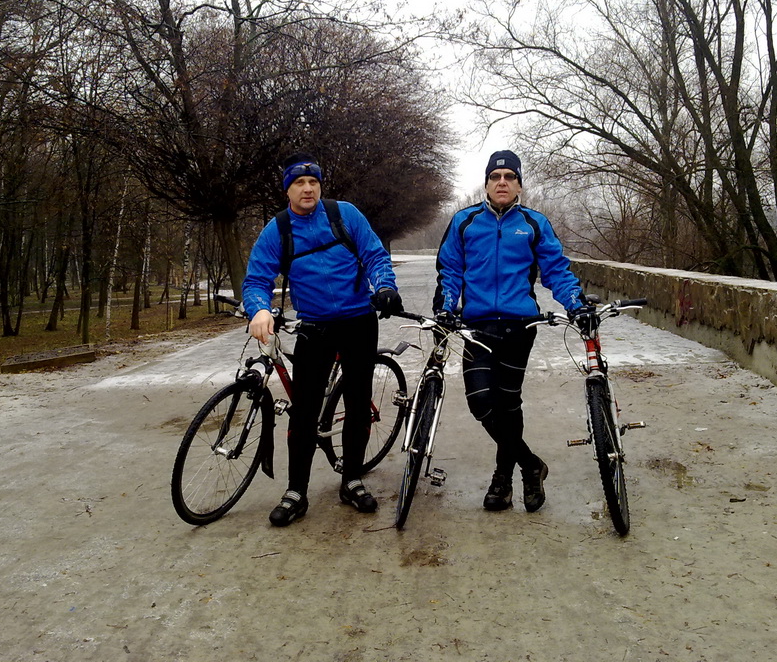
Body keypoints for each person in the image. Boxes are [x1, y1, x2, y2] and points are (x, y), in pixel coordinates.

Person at [242, 153, 403, 527]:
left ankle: (352, 480)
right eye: (299, 183)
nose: (307, 188)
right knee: (304, 411)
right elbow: (256, 280)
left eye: (313, 181)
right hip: (315, 327)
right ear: (287, 190)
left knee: (358, 404)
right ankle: (296, 491)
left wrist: (384, 286)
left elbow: (375, 255)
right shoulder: (278, 230)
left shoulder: (344, 214)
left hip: (359, 322)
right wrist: (259, 310)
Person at [433, 150, 595, 513]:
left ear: (519, 184)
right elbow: (450, 270)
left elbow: (556, 271)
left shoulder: (534, 223)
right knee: (480, 402)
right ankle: (531, 464)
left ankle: (502, 480)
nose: (502, 182)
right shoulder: (464, 221)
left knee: (508, 404)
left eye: (509, 176)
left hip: (520, 326)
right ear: (486, 184)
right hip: (477, 326)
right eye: (495, 177)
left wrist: (576, 304)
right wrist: (444, 307)